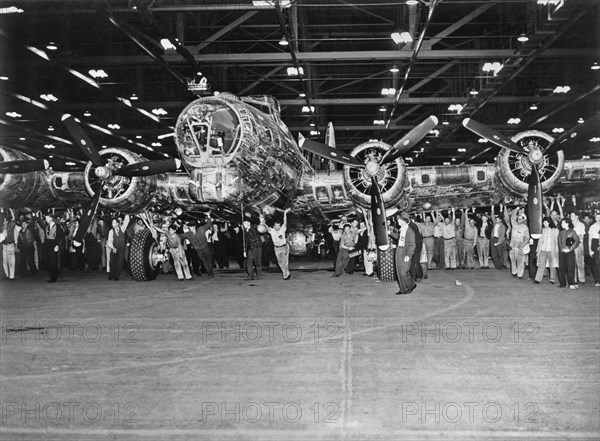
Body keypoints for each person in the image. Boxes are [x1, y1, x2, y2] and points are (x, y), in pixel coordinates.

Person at [181, 214, 214, 278]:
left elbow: (209, 225)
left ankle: (210, 272)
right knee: (204, 262)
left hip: (205, 247)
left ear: (194, 226)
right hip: (198, 250)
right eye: (189, 227)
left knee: (208, 261)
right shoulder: (188, 234)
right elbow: (180, 236)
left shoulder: (201, 229)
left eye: (191, 226)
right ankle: (210, 273)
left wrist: (208, 216)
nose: (190, 228)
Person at [393, 212, 417, 295]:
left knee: (404, 272)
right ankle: (403, 289)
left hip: (405, 252)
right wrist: (390, 233)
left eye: (399, 219)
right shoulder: (402, 229)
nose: (397, 221)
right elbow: (399, 238)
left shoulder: (409, 231)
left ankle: (411, 285)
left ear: (403, 220)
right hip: (399, 250)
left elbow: (412, 244)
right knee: (399, 271)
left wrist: (409, 255)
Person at [267, 208, 291, 280]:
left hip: (284, 247)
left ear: (280, 226)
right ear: (274, 226)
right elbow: (265, 227)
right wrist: (262, 221)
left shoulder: (282, 229)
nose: (277, 227)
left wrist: (285, 214)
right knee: (280, 263)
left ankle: (285, 275)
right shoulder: (272, 231)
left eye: (278, 226)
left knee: (285, 261)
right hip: (277, 248)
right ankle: (287, 272)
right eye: (276, 226)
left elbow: (285, 222)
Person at [40, 212, 64, 282]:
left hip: (54, 244)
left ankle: (54, 277)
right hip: (48, 245)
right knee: (48, 261)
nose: (46, 220)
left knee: (53, 261)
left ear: (51, 218)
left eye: (47, 218)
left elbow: (59, 237)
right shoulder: (47, 227)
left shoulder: (57, 226)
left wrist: (57, 245)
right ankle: (55, 273)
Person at [534, 217, 559, 284]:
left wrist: (557, 251)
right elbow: (540, 241)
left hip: (551, 250)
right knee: (541, 264)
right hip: (543, 249)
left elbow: (556, 241)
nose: (543, 223)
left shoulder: (555, 230)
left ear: (549, 222)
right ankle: (538, 279)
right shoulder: (542, 230)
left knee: (552, 265)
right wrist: (538, 250)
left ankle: (552, 279)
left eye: (545, 222)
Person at [557, 218, 580, 289]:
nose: (561, 224)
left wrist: (570, 249)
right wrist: (562, 249)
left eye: (563, 223)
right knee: (561, 268)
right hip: (562, 252)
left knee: (571, 267)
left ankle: (571, 283)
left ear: (567, 223)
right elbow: (559, 242)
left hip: (570, 252)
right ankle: (562, 283)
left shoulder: (572, 232)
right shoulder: (561, 232)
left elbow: (577, 241)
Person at [106, 215, 131, 281]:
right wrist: (113, 248)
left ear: (117, 223)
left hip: (121, 249)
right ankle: (111, 274)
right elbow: (110, 241)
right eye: (112, 223)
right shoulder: (111, 231)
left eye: (114, 223)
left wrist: (127, 213)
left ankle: (117, 276)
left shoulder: (122, 228)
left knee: (120, 263)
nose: (112, 224)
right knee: (112, 262)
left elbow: (126, 221)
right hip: (114, 248)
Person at [508, 209, 530, 279]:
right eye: (518, 218)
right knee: (513, 260)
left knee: (520, 261)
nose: (518, 220)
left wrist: (523, 245)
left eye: (520, 219)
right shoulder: (514, 224)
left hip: (520, 246)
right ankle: (514, 272)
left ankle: (520, 275)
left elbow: (527, 238)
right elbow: (512, 217)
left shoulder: (525, 228)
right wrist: (517, 208)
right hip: (513, 246)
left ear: (523, 220)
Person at [570, 212, 586, 285]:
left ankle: (581, 279)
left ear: (577, 216)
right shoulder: (570, 224)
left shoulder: (581, 225)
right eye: (570, 215)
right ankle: (574, 279)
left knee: (580, 262)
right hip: (570, 245)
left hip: (578, 245)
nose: (571, 217)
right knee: (572, 262)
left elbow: (581, 236)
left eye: (572, 215)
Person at [588, 212, 600, 287]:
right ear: (595, 218)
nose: (599, 219)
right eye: (597, 217)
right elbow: (590, 239)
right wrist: (590, 250)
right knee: (596, 263)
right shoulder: (592, 227)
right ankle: (597, 280)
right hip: (594, 244)